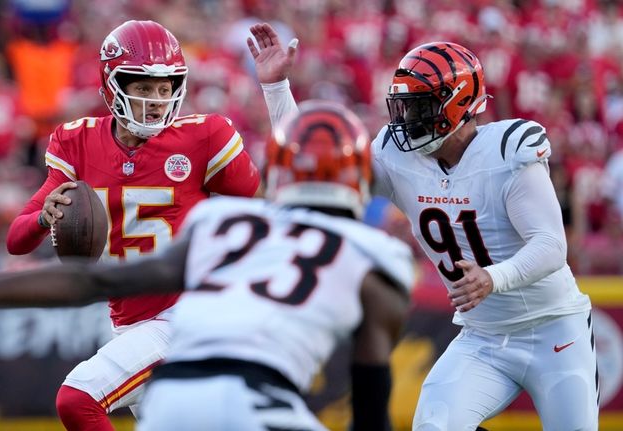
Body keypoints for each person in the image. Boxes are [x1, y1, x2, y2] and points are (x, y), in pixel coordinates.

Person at [0, 101, 415, 431]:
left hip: (181, 376)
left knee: (78, 397)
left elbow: (90, 280)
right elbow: (370, 402)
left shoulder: (221, 225)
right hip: (254, 396)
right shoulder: (379, 259)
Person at [248, 22, 598, 431]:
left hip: (555, 329)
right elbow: (316, 168)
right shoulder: (397, 156)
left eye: (419, 106)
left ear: (459, 103)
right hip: (483, 337)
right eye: (404, 106)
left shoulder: (507, 152)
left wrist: (493, 277)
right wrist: (277, 89)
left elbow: (552, 245)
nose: (406, 119)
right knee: (434, 425)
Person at [4, 20, 260, 430]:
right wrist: (42, 216)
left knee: (78, 399)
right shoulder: (77, 143)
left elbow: (275, 202)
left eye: (165, 87)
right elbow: (17, 241)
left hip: (188, 315)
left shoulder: (204, 137)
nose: (156, 100)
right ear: (111, 83)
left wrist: (277, 91)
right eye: (143, 86)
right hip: (129, 322)